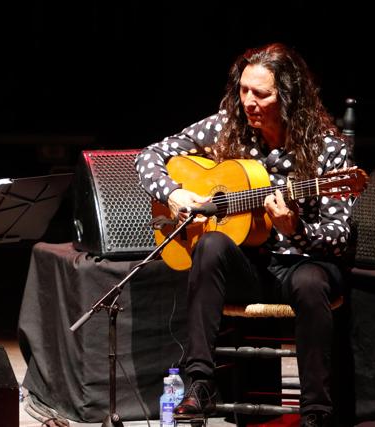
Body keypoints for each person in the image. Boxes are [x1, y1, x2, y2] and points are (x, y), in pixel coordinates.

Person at [136, 43, 353, 427]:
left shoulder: (327, 150)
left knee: (309, 282)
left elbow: (337, 238)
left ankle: (316, 411)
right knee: (211, 243)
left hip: (303, 265)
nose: (248, 101)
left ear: (288, 98)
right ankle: (201, 383)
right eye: (244, 90)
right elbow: (150, 155)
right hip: (248, 268)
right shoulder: (228, 126)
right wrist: (172, 192)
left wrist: (296, 229)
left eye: (262, 94)